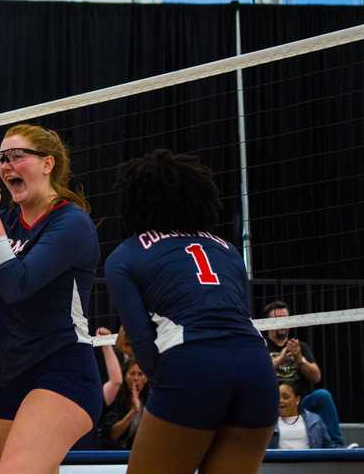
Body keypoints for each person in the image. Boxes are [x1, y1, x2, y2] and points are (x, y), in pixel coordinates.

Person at [105, 149, 277, 474]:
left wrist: (171, 385)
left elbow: (142, 346)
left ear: (135, 201)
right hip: (257, 367)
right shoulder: (228, 250)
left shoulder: (124, 256)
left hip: (193, 363)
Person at [0, 124, 102, 474]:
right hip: (13, 376)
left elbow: (17, 286)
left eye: (17, 156)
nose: (6, 166)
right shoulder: (4, 222)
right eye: (2, 158)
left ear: (47, 164)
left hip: (62, 370)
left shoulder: (71, 222)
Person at [262, 301, 344, 447]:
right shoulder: (261, 346)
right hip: (272, 402)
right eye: (277, 319)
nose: (283, 323)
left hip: (300, 403)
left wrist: (300, 359)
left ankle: (338, 447)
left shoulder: (300, 346)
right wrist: (279, 360)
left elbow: (316, 377)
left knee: (322, 396)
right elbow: (257, 373)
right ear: (267, 322)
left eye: (286, 318)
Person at [269, 382, 333, 449]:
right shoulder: (269, 422)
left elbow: (327, 447)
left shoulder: (315, 420)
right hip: (278, 459)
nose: (280, 400)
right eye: (277, 397)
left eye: (285, 397)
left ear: (297, 399)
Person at [101, 360, 148, 450]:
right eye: (132, 374)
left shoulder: (150, 400)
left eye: (140, 374)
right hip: (111, 453)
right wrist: (133, 411)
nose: (135, 378)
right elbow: (112, 434)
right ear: (125, 377)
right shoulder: (115, 396)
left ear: (146, 379)